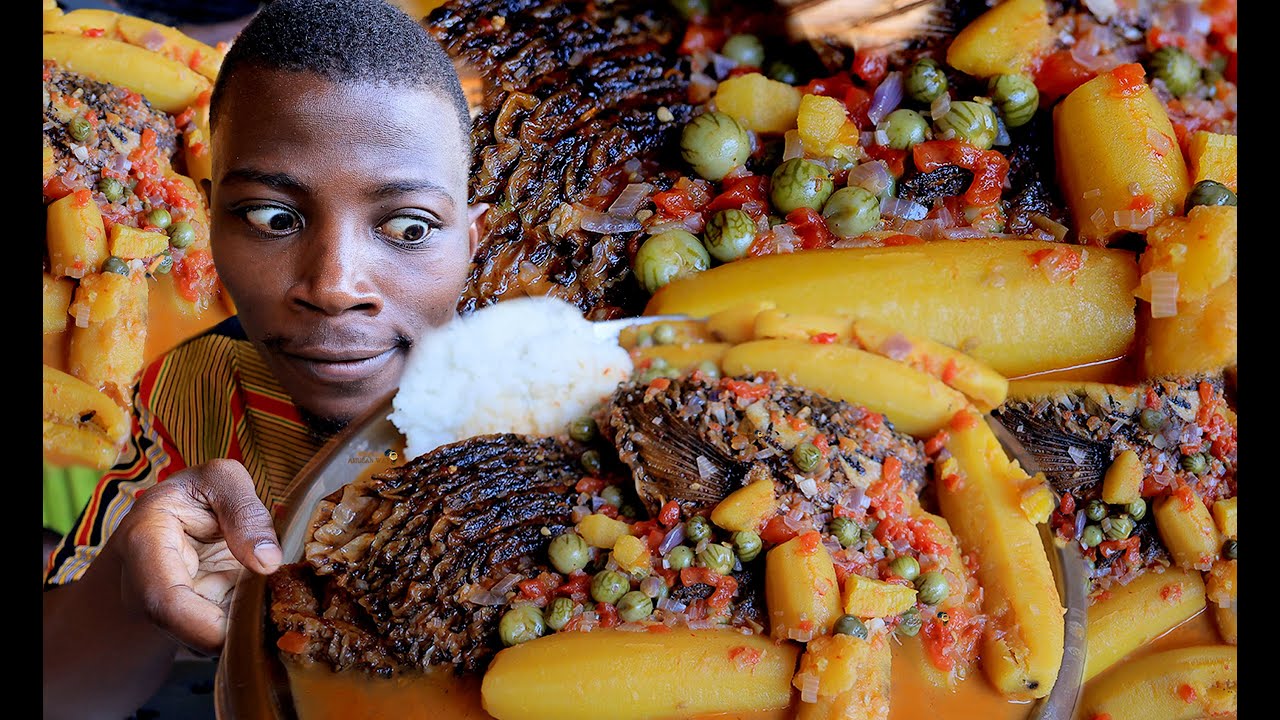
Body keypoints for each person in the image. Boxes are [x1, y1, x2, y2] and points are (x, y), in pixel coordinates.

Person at [42, 1, 485, 716]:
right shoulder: (189, 393)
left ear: (473, 238)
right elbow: (60, 694)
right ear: (208, 222)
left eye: (407, 227)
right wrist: (133, 578)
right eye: (273, 219)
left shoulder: (588, 364)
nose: (335, 287)